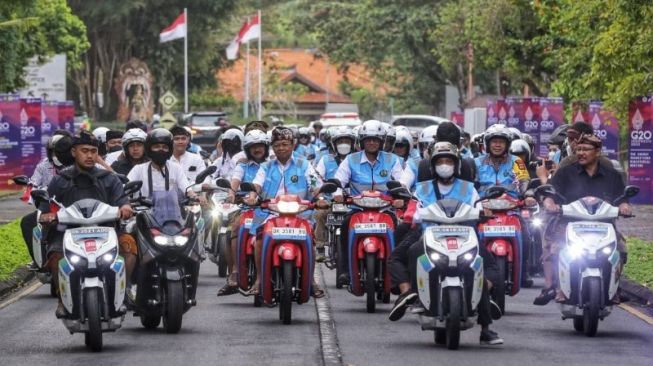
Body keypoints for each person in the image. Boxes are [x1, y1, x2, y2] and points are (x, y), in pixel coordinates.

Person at [387, 142, 504, 345]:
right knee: (402, 255)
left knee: (487, 266)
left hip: (465, 235)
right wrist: (411, 214)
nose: (444, 165)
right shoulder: (422, 188)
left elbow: (479, 206)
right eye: (440, 161)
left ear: (456, 164)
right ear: (433, 166)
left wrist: (484, 212)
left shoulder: (469, 188)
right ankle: (410, 294)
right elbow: (413, 209)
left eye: (448, 161)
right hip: (428, 234)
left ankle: (486, 324)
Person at [39, 131, 133, 317]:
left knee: (130, 247)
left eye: (93, 151)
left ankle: (123, 292)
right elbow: (46, 206)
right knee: (56, 257)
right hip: (67, 234)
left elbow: (122, 200)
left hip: (107, 232)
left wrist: (125, 208)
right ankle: (62, 299)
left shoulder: (109, 178)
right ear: (74, 152)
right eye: (84, 151)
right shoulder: (60, 180)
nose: (89, 156)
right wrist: (47, 215)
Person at [534, 134, 632, 305]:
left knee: (620, 249)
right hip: (568, 222)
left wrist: (624, 206)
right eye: (578, 149)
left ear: (598, 152)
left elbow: (621, 197)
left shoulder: (612, 175)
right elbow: (550, 193)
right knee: (556, 248)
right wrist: (549, 204)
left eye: (585, 149)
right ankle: (558, 288)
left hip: (603, 224)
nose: (580, 153)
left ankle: (615, 288)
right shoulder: (565, 172)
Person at [243, 127, 327, 297]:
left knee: (309, 240)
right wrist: (252, 196)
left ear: (292, 145)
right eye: (277, 145)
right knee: (258, 239)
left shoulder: (304, 164)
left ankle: (311, 280)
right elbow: (257, 185)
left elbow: (314, 184)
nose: (281, 148)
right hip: (269, 212)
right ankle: (259, 280)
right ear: (272, 147)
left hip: (300, 212)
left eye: (285, 144)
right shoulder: (266, 166)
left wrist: (320, 198)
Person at [333, 120, 403, 286]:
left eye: (375, 139)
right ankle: (345, 270)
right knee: (344, 226)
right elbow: (338, 180)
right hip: (358, 209)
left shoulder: (392, 160)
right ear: (362, 141)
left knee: (399, 230)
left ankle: (397, 273)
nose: (372, 142)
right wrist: (337, 193)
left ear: (381, 141)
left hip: (385, 210)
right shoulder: (350, 160)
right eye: (368, 139)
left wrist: (400, 196)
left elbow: (401, 182)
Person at [126, 129, 194, 289]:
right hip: (143, 217)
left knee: (192, 232)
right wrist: (126, 201)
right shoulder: (139, 169)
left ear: (170, 149)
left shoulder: (176, 168)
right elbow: (126, 187)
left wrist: (193, 194)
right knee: (129, 238)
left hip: (172, 217)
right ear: (149, 148)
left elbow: (186, 186)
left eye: (164, 147)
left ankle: (190, 274)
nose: (160, 150)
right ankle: (129, 284)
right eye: (156, 146)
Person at [217, 129, 270, 296]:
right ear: (247, 149)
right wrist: (232, 194)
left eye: (260, 145)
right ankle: (235, 271)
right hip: (248, 209)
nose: (257, 149)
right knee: (236, 228)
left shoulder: (272, 164)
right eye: (253, 146)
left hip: (270, 210)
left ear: (266, 147)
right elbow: (235, 181)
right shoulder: (242, 165)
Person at [313, 126, 355, 261]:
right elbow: (316, 180)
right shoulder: (325, 160)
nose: (344, 144)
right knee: (319, 214)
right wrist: (320, 198)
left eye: (347, 141)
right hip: (330, 201)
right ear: (334, 144)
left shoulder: (357, 160)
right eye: (340, 141)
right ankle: (320, 247)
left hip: (353, 202)